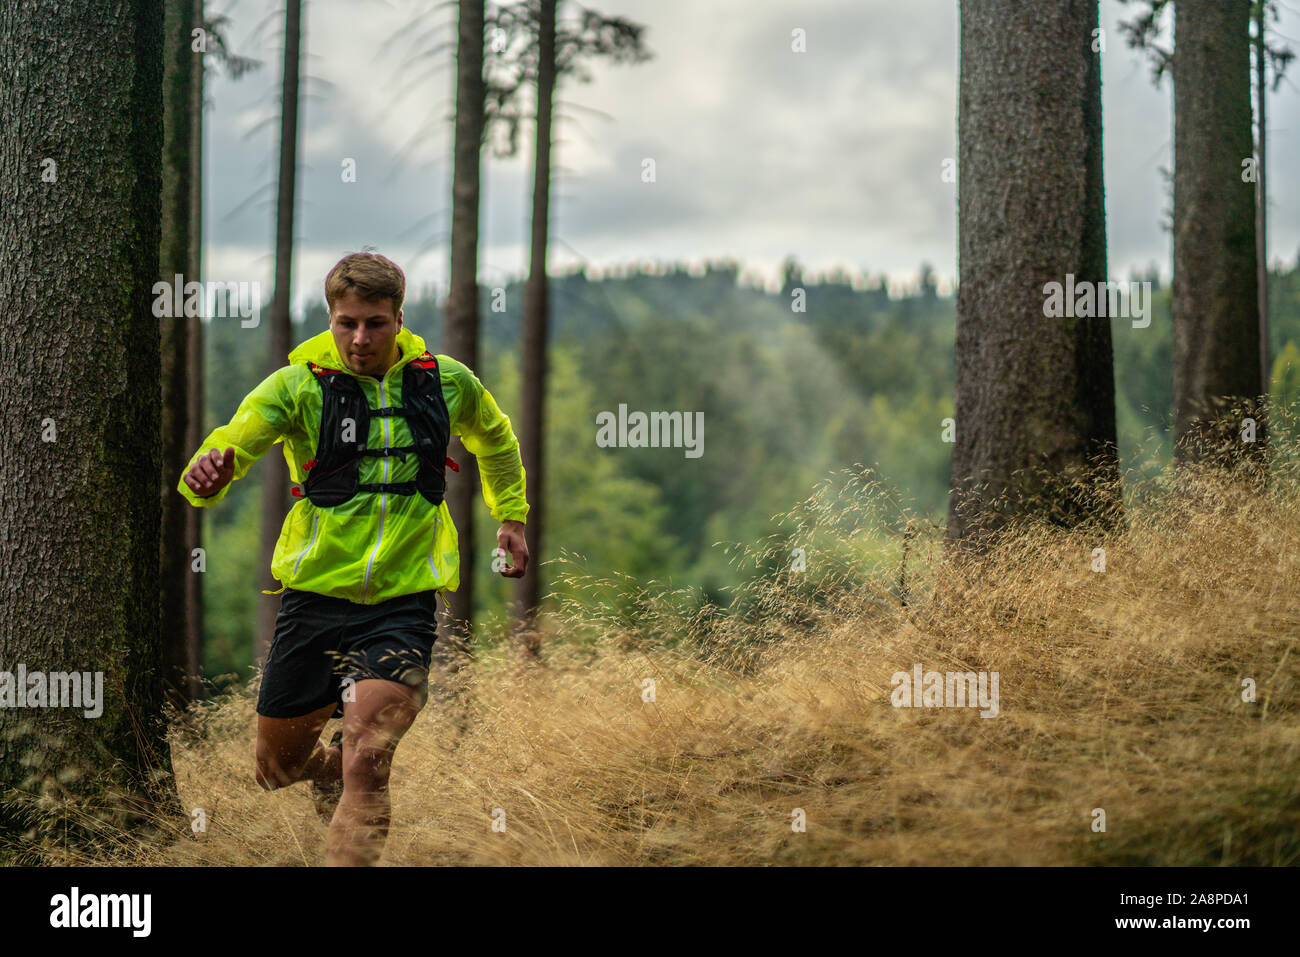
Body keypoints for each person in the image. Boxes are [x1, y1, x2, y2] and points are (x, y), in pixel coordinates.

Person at [178, 251, 529, 866]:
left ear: (399, 317)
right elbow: (231, 443)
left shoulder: (447, 381)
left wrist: (512, 516)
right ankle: (329, 770)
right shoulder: (296, 385)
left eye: (374, 323)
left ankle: (349, 781)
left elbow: (495, 438)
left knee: (369, 755)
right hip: (313, 600)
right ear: (330, 318)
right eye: (347, 323)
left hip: (404, 603)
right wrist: (207, 476)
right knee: (275, 768)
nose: (360, 339)